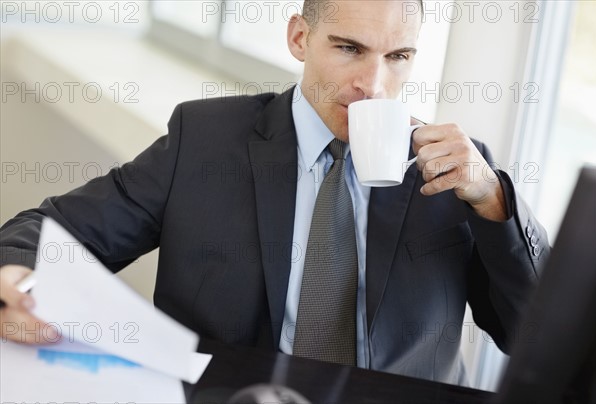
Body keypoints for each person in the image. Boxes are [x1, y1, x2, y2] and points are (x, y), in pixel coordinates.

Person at [0, 0, 548, 385]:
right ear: (299, 38)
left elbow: (534, 340)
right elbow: (50, 231)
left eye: (398, 56)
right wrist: (16, 275)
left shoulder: (456, 171)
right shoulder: (205, 140)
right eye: (349, 48)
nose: (374, 84)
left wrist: (493, 202)